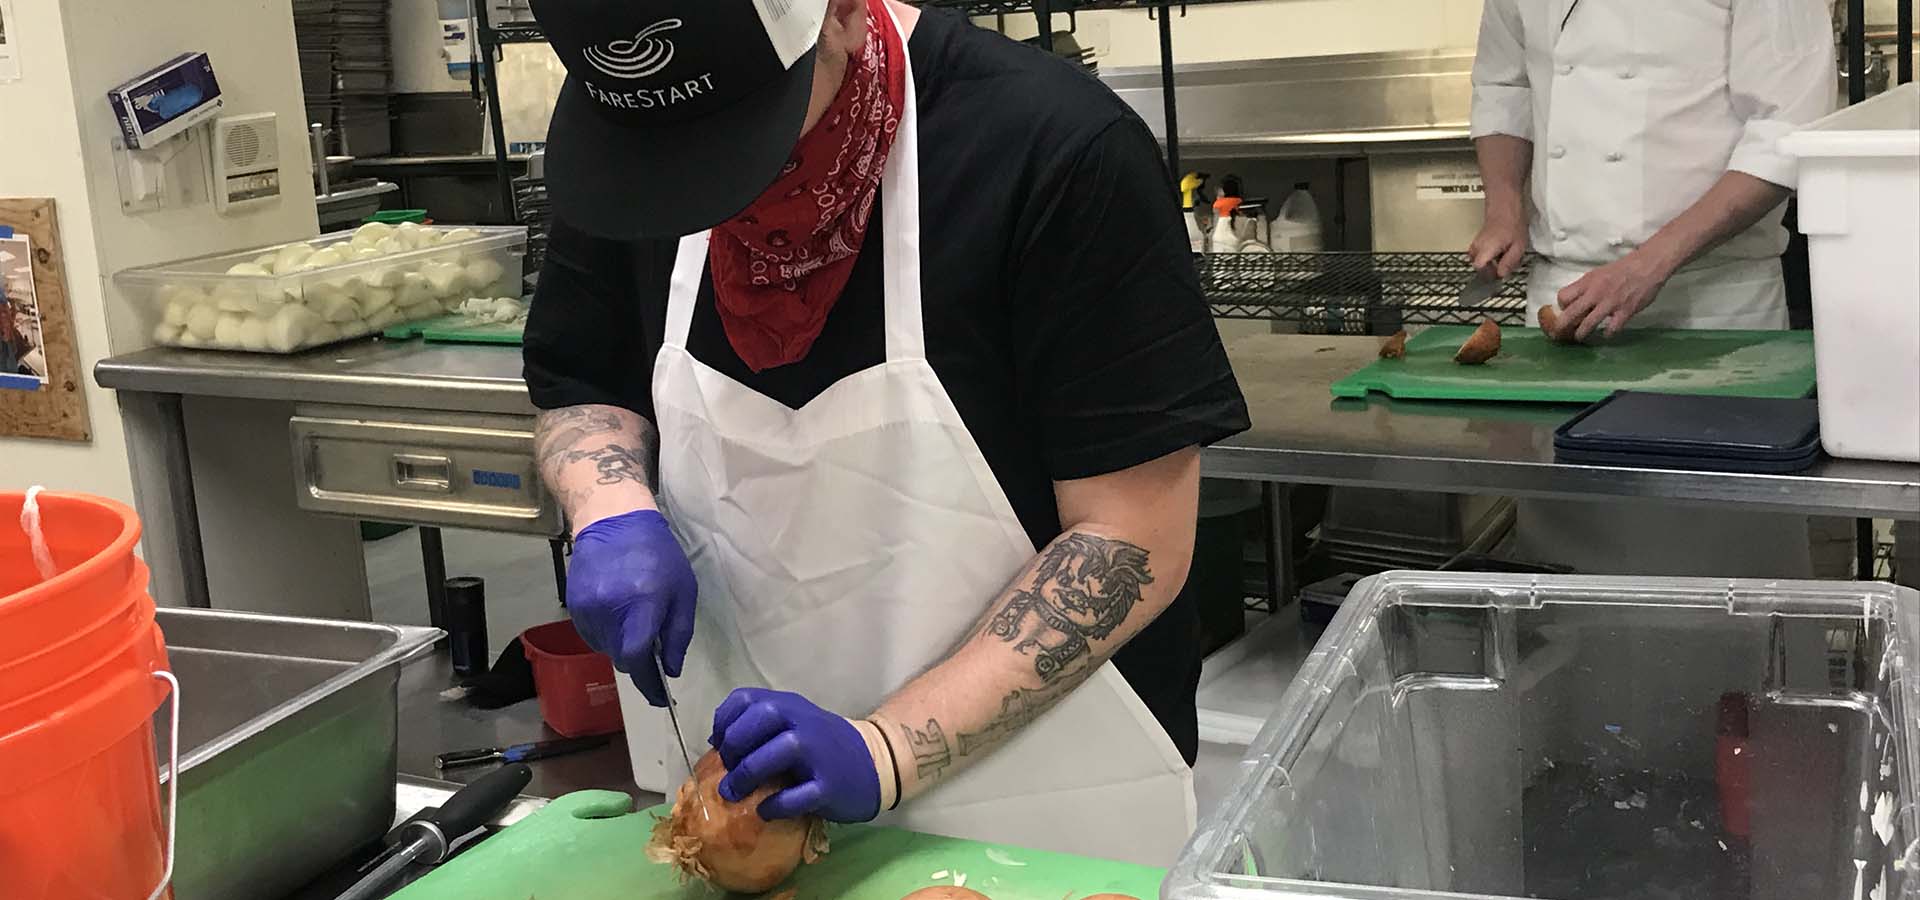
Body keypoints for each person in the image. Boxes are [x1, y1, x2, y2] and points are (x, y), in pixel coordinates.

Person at [522, 0, 1249, 863]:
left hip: (1043, 813)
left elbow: (1133, 536)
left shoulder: (1056, 150)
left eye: (733, 138)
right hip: (750, 811)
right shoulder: (642, 149)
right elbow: (587, 378)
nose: (701, 189)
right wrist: (607, 506)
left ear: (835, 17)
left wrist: (886, 750)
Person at [1466, 0, 1842, 576]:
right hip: (1562, 302)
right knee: (1568, 581)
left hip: (1714, 314)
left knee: (1720, 570)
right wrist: (1504, 206)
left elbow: (1785, 129)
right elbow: (1504, 82)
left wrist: (1648, 264)